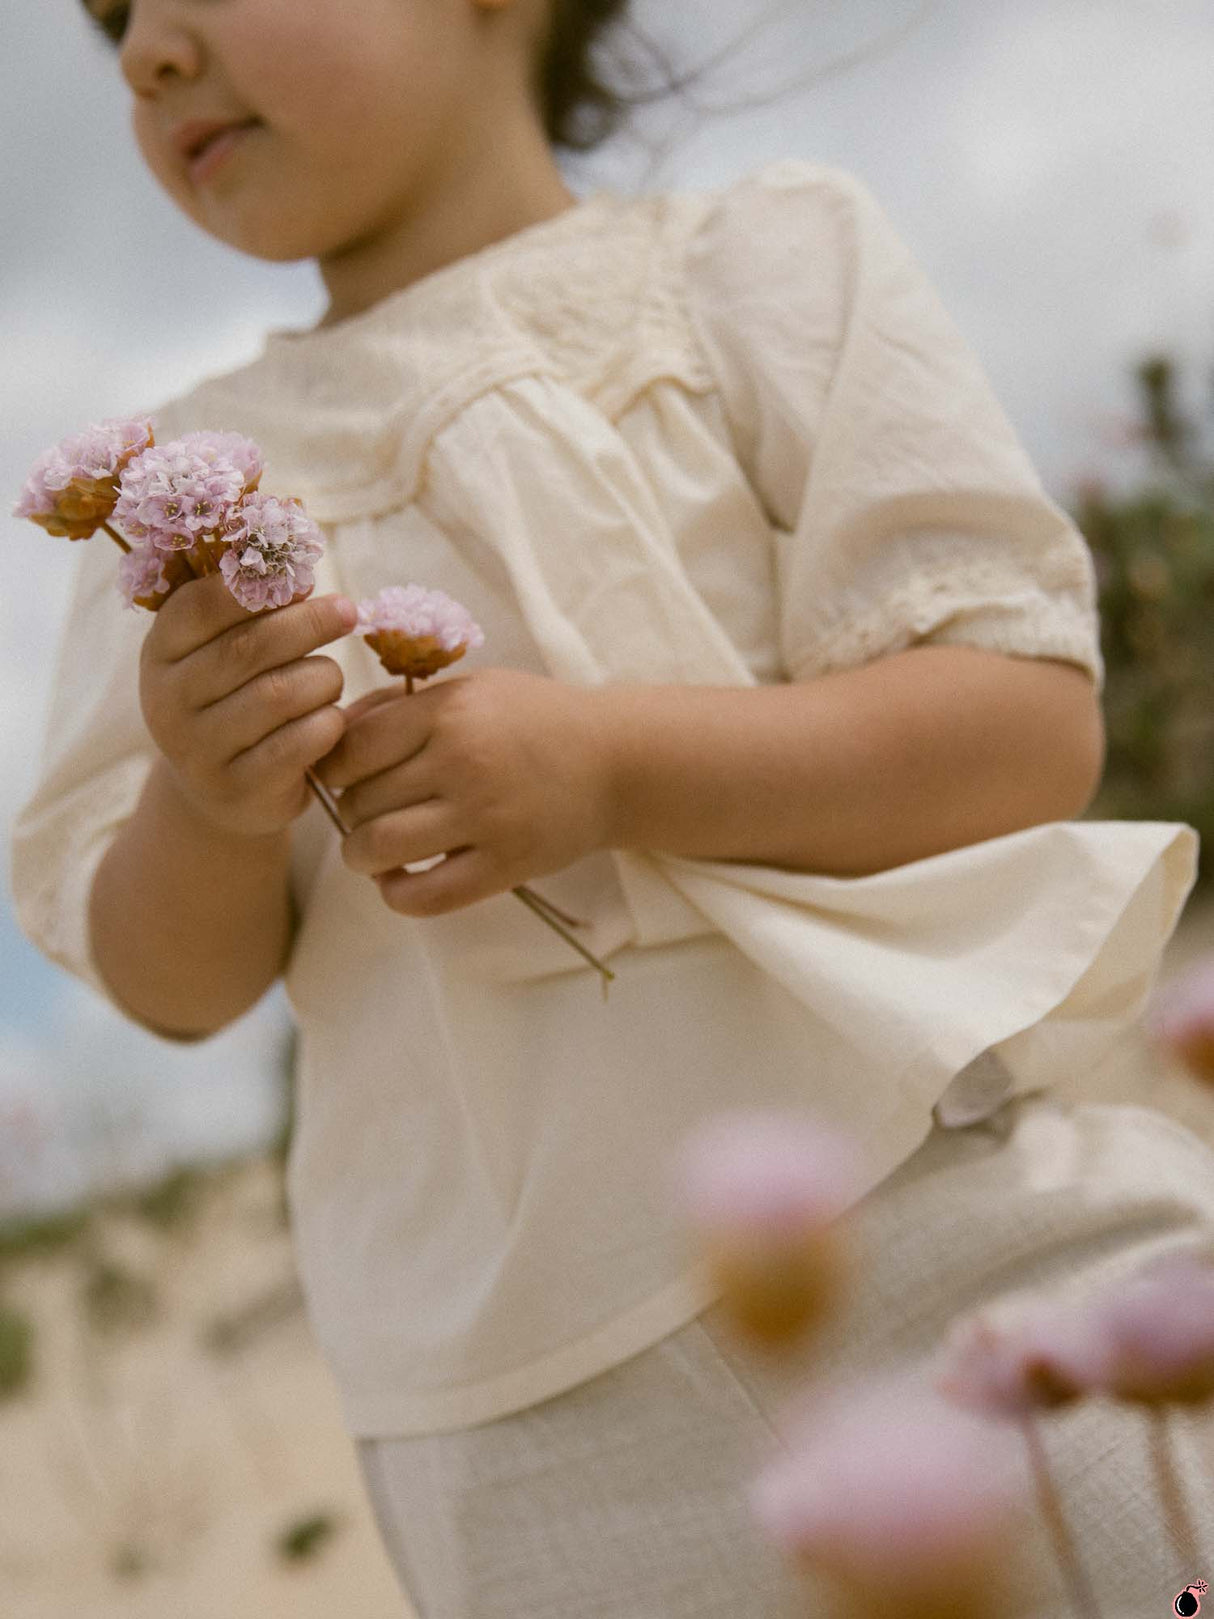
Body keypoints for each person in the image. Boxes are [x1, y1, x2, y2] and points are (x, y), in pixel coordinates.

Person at [13, 2, 1214, 1614]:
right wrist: (208, 798)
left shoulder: (755, 267)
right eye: (109, 22)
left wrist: (611, 766)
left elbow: (1017, 719)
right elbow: (170, 982)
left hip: (937, 1219)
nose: (148, 52)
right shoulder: (185, 497)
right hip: (505, 1407)